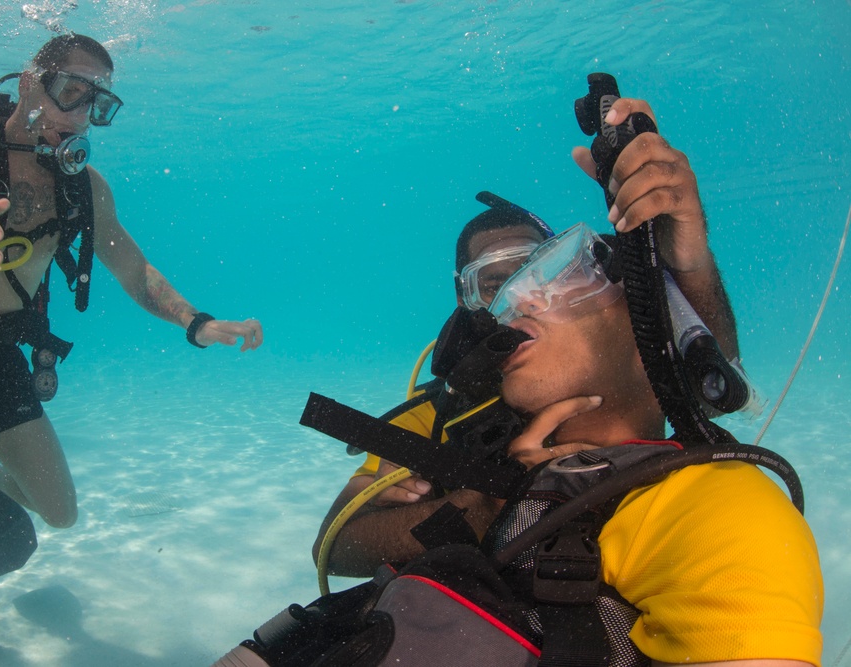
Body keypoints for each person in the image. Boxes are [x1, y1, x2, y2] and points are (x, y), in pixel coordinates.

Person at [309, 98, 823, 665]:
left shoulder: (718, 513)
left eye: (548, 271)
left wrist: (688, 265)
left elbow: (706, 373)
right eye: (493, 285)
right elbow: (337, 542)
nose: (516, 299)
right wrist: (491, 504)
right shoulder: (445, 415)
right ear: (463, 295)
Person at [0, 33, 263, 639]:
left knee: (62, 513)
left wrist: (194, 322)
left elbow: (134, 268)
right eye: (72, 90)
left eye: (98, 104)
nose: (79, 115)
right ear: (29, 82)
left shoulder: (83, 186)